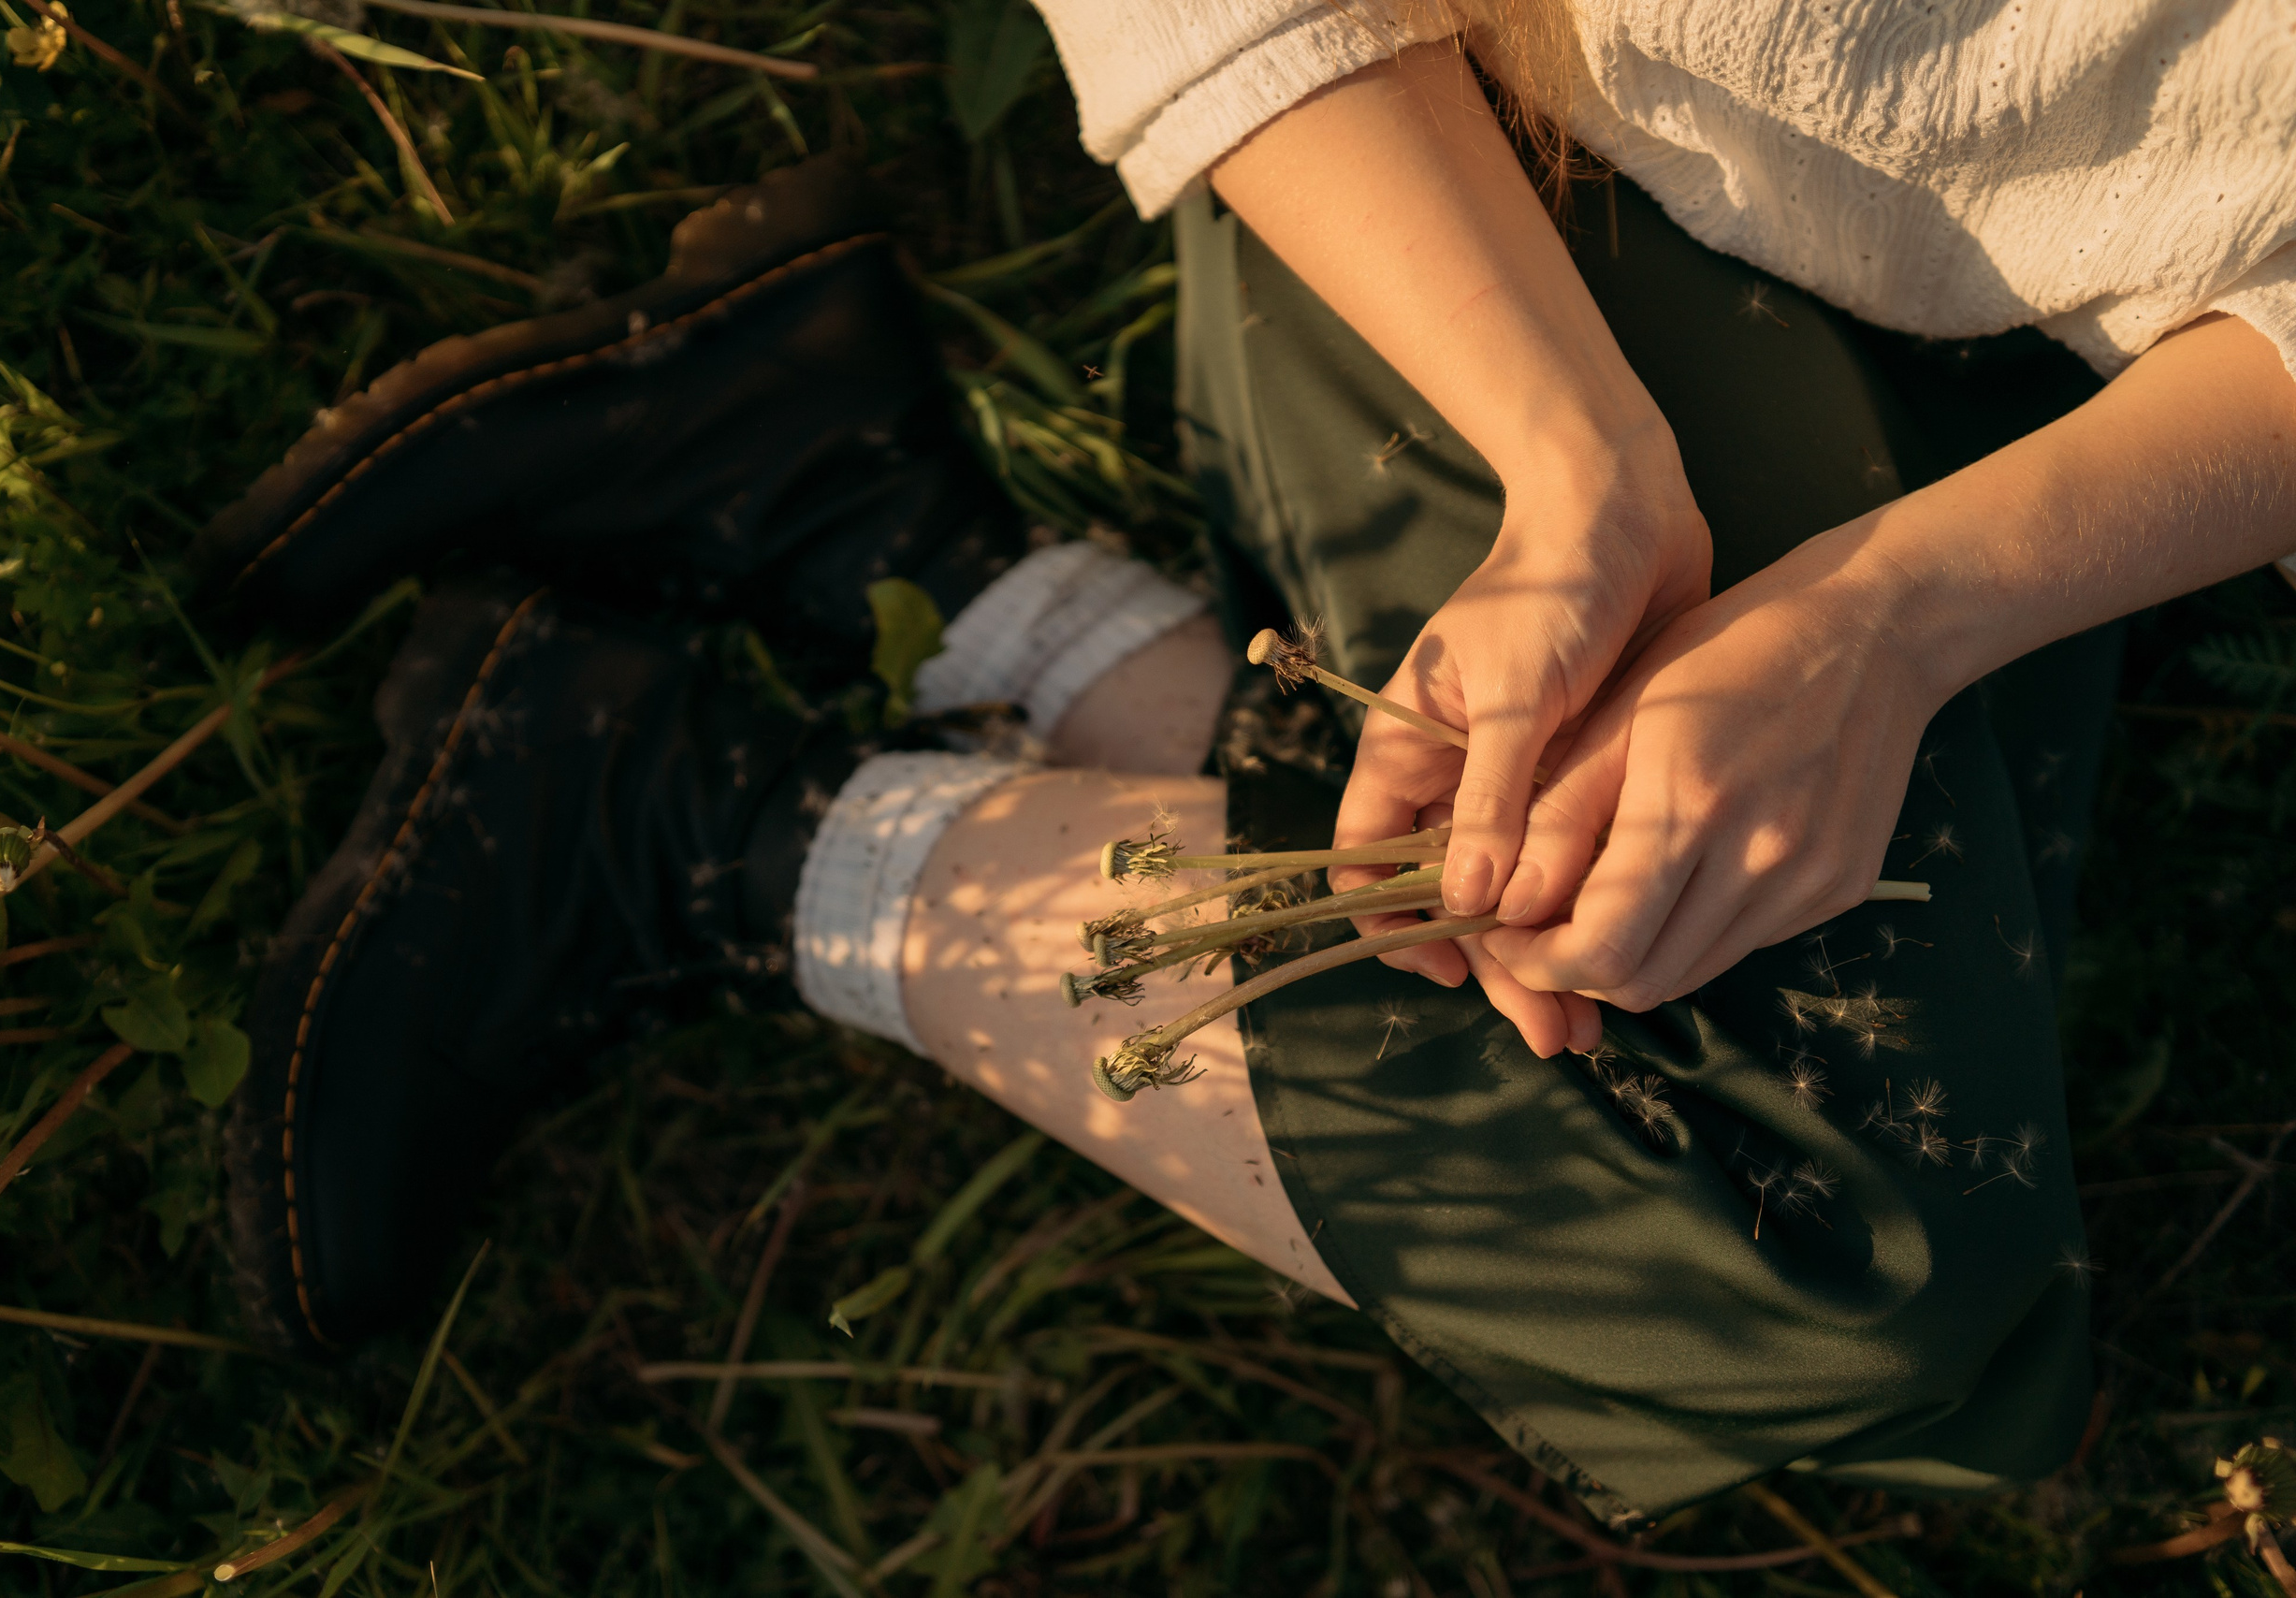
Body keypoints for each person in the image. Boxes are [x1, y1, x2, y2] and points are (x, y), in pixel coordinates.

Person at [206, 0, 2296, 1521]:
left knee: (1863, 1273)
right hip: (1498, 192)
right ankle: (704, 822)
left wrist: (1896, 613)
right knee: (1828, 1269)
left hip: (2085, 407)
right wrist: (1573, 465)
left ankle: (881, 553)